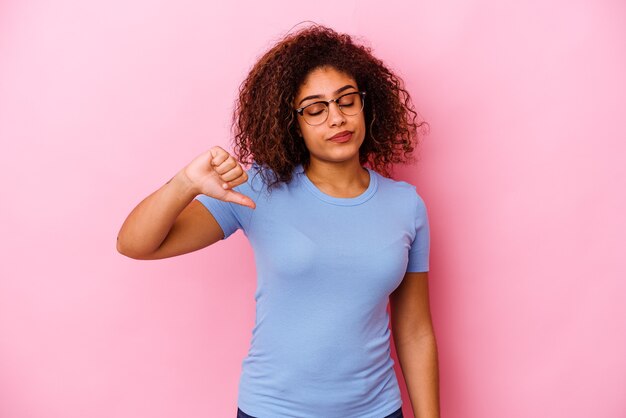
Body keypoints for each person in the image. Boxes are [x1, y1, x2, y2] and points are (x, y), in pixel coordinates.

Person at [117, 23, 440, 418]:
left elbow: (415, 330)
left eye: (347, 101)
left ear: (366, 105)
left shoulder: (405, 205)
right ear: (294, 123)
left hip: (376, 410)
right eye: (316, 109)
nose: (337, 119)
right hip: (273, 410)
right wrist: (185, 183)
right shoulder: (256, 189)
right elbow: (135, 243)